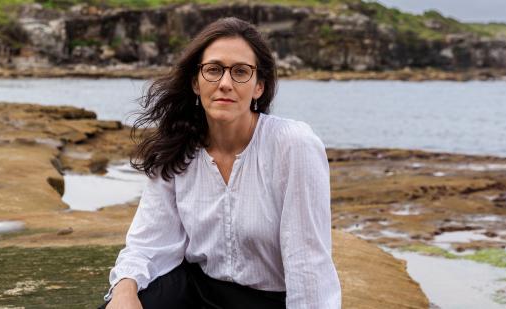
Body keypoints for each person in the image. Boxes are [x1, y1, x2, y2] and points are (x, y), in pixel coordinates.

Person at [102, 17, 341, 309]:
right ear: (195, 82)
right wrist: (124, 290)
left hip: (268, 301)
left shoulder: (293, 145)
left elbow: (308, 265)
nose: (225, 83)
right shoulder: (177, 147)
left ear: (258, 87)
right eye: (213, 70)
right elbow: (148, 243)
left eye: (241, 71)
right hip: (195, 292)